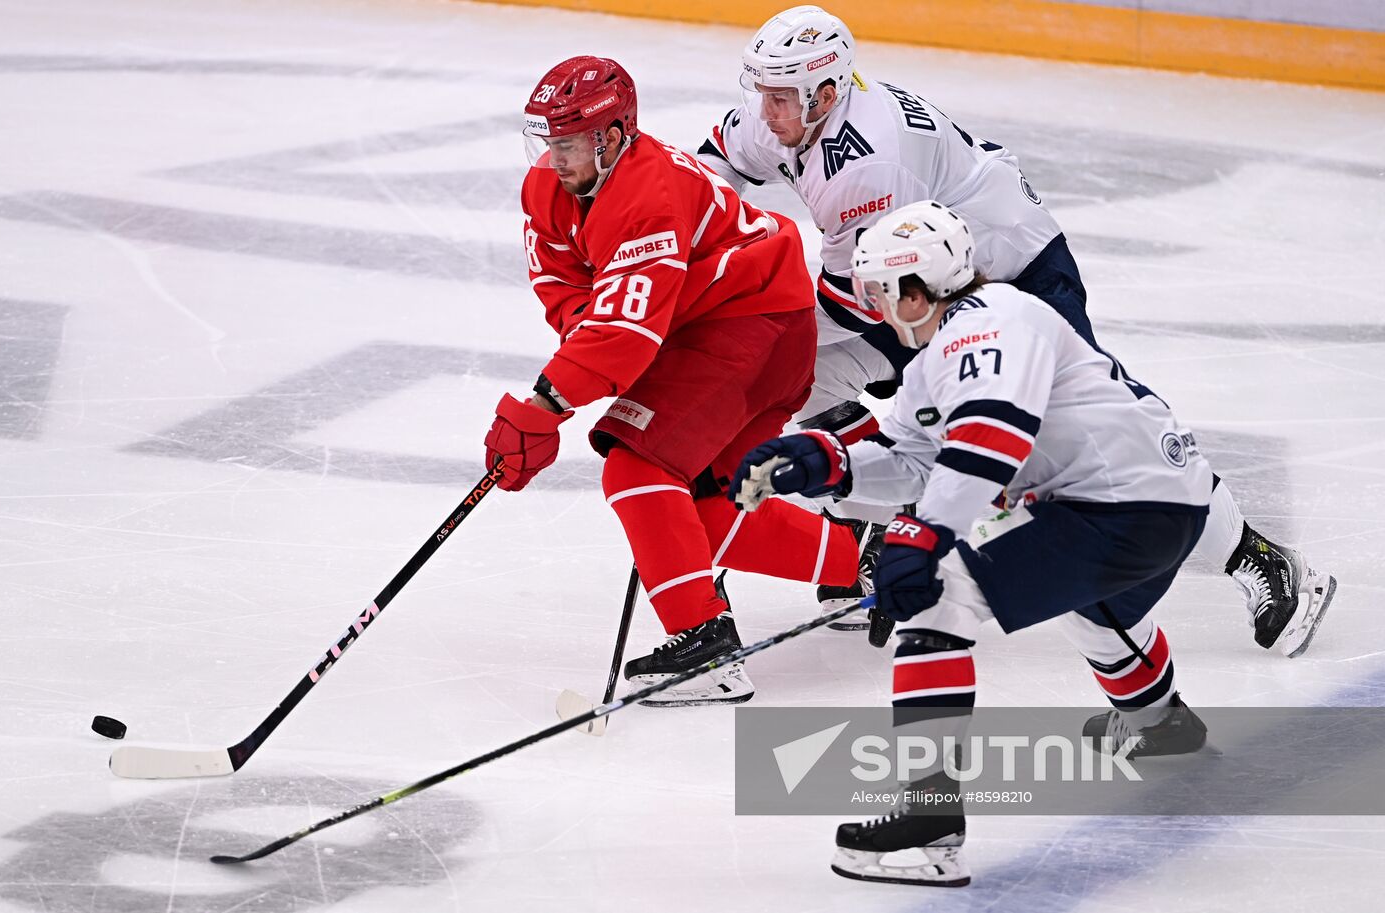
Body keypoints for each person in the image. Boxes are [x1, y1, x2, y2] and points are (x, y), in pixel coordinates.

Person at [699, 4, 1334, 656]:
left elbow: (846, 307)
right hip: (912, 287)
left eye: (780, 98)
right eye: (764, 94)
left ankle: (1257, 557)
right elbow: (713, 165)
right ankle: (869, 528)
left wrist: (726, 321)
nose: (765, 111)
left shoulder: (867, 164)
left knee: (1093, 453)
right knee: (788, 383)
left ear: (826, 94)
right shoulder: (788, 111)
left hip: (1011, 284)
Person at [732, 200, 1218, 886]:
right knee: (1096, 602)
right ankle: (1157, 717)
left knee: (939, 595)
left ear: (917, 289)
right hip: (1161, 500)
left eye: (879, 292)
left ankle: (928, 824)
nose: (872, 308)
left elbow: (990, 435)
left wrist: (924, 535)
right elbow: (910, 455)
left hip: (1120, 506)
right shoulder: (953, 345)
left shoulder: (990, 320)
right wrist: (823, 461)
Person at [484, 55, 875, 706]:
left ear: (611, 138)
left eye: (571, 143)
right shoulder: (544, 192)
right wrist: (601, 359)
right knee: (695, 505)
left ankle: (704, 646)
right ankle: (866, 566)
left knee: (637, 468)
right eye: (548, 142)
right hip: (723, 325)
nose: (555, 158)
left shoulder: (648, 190)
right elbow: (571, 296)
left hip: (752, 323)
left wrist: (547, 402)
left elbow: (626, 329)